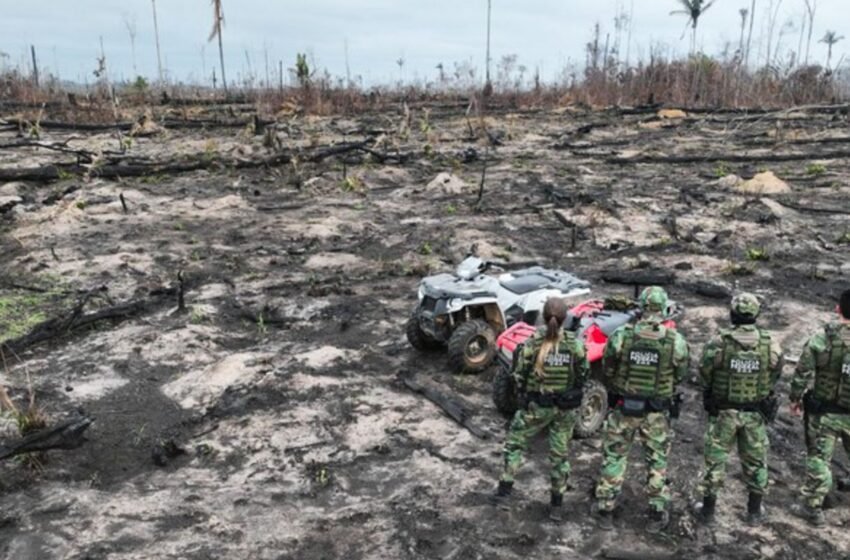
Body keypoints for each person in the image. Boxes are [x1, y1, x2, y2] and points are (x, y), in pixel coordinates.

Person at [594, 286, 689, 533]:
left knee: (615, 456)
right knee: (657, 460)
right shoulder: (674, 341)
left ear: (642, 307)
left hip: (625, 408)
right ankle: (657, 512)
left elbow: (608, 366)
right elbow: (681, 373)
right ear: (664, 307)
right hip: (656, 412)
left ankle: (605, 508)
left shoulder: (622, 335)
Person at [493, 297, 589, 522]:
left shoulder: (533, 343)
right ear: (565, 319)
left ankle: (504, 494)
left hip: (537, 406)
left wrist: (526, 394)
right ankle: (556, 506)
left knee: (515, 444)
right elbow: (583, 374)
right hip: (564, 409)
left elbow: (518, 374)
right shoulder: (574, 344)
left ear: (544, 318)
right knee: (559, 455)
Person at [696, 293, 783, 525]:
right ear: (756, 314)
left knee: (715, 460)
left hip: (724, 412)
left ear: (732, 314)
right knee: (756, 461)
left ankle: (708, 511)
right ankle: (754, 512)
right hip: (755, 414)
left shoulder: (718, 342)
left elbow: (704, 373)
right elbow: (776, 373)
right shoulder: (770, 344)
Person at [789, 289, 850, 527]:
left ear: (838, 309)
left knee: (819, 458)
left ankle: (812, 507)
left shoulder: (823, 338)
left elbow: (803, 370)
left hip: (825, 413)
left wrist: (795, 398)